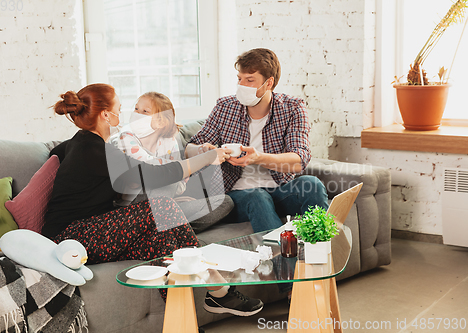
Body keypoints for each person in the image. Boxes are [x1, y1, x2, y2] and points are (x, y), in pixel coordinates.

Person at [42, 83, 263, 316]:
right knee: (162, 206)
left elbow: (55, 152)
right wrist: (208, 157)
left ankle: (183, 324)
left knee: (164, 241)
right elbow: (155, 175)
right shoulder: (95, 150)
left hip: (96, 233)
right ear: (106, 114)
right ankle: (220, 290)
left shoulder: (84, 143)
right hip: (70, 238)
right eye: (119, 107)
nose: (124, 113)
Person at [186, 48, 329, 233]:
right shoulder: (224, 107)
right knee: (257, 196)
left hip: (279, 191)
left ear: (268, 83)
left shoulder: (293, 108)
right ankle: (282, 259)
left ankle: (320, 251)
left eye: (249, 80)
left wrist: (258, 158)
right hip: (236, 196)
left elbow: (299, 161)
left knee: (312, 185)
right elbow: (190, 148)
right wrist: (203, 152)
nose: (241, 85)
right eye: (239, 79)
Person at [109, 91, 234, 233]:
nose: (137, 113)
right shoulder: (125, 137)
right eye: (136, 109)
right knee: (163, 178)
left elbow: (180, 183)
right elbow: (155, 172)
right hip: (134, 207)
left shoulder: (169, 141)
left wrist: (174, 187)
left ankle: (166, 227)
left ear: (161, 121)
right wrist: (175, 175)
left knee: (224, 202)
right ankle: (167, 226)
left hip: (163, 205)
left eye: (145, 111)